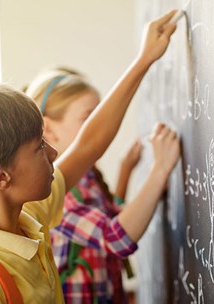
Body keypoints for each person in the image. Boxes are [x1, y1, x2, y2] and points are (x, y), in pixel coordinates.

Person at [0, 10, 179, 304]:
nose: (53, 153)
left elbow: (87, 145)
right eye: (39, 147)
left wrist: (144, 60)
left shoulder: (28, 214)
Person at [25, 67, 179, 303]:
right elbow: (116, 238)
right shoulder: (54, 187)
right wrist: (159, 170)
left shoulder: (87, 176)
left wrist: (127, 172)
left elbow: (112, 215)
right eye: (89, 118)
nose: (101, 126)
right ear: (49, 129)